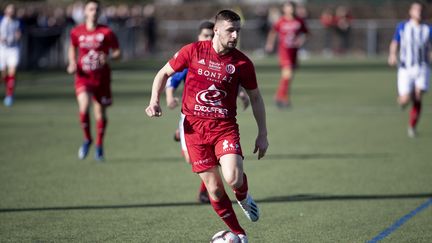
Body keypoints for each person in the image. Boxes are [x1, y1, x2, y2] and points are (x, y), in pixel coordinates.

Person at [146, 10, 268, 243]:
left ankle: (243, 197)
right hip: (194, 130)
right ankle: (240, 233)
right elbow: (162, 74)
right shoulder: (192, 51)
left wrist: (263, 133)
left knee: (233, 177)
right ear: (217, 30)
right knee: (213, 189)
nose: (234, 36)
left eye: (238, 31)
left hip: (224, 127)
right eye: (230, 30)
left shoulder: (242, 63)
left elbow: (256, 98)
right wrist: (154, 100)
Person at [166, 20, 250, 204]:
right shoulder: (192, 56)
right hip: (191, 118)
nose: (208, 39)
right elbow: (171, 79)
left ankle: (207, 190)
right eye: (205, 36)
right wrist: (169, 96)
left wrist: (242, 94)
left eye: (210, 35)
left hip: (217, 121)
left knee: (217, 158)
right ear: (198, 37)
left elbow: (230, 82)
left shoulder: (224, 59)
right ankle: (181, 134)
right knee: (191, 159)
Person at [67, 0, 121, 161]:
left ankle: (98, 144)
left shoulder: (106, 32)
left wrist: (109, 57)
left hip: (102, 78)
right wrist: (71, 62)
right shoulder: (77, 31)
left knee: (100, 113)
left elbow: (118, 53)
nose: (94, 12)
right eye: (91, 9)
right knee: (84, 106)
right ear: (85, 12)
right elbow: (73, 47)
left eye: (97, 9)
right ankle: (87, 138)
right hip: (83, 76)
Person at [388, 1, 431, 138]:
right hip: (405, 68)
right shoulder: (403, 27)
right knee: (406, 99)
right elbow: (395, 42)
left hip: (422, 66)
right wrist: (392, 55)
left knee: (418, 96)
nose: (419, 12)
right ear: (411, 12)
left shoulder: (428, 29)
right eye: (416, 10)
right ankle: (402, 101)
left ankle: (412, 127)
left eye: (421, 10)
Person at [265, 1, 309, 108]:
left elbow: (306, 33)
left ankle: (282, 97)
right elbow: (273, 32)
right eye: (288, 7)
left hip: (294, 51)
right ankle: (280, 97)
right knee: (287, 74)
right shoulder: (281, 21)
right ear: (284, 9)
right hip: (284, 51)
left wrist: (301, 40)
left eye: (292, 7)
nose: (291, 9)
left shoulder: (299, 21)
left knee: (289, 76)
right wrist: (270, 44)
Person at [0, 4, 22, 107]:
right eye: (9, 9)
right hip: (3, 49)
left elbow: (20, 33)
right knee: (4, 74)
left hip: (13, 49)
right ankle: (7, 89)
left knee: (12, 72)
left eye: (13, 10)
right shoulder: (1, 20)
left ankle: (9, 96)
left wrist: (18, 36)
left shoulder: (18, 22)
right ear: (6, 11)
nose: (11, 12)